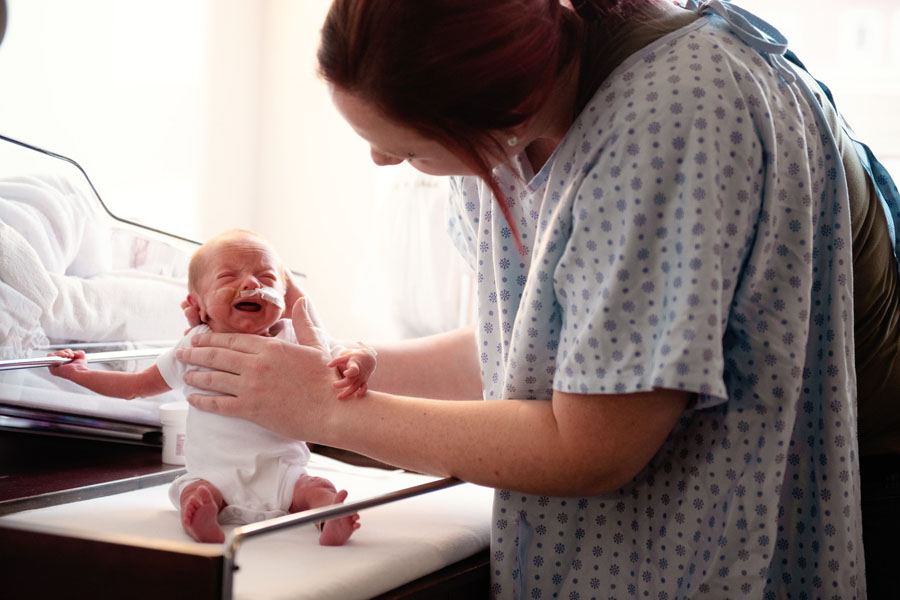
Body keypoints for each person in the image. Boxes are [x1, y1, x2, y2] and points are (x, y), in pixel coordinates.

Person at [174, 1, 900, 596]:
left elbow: (595, 445)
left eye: (409, 147)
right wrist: (327, 366)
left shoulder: (669, 117)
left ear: (503, 109)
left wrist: (323, 408)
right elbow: (534, 348)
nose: (382, 160)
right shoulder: (530, 116)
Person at [49, 229, 375, 544]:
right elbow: (135, 386)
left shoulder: (294, 336)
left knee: (316, 488)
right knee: (191, 490)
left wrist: (361, 360)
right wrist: (79, 373)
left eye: (267, 278)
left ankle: (329, 516)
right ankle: (201, 516)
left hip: (282, 474)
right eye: (227, 277)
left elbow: (338, 353)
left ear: (283, 298)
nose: (250, 283)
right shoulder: (194, 347)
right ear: (199, 304)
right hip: (214, 477)